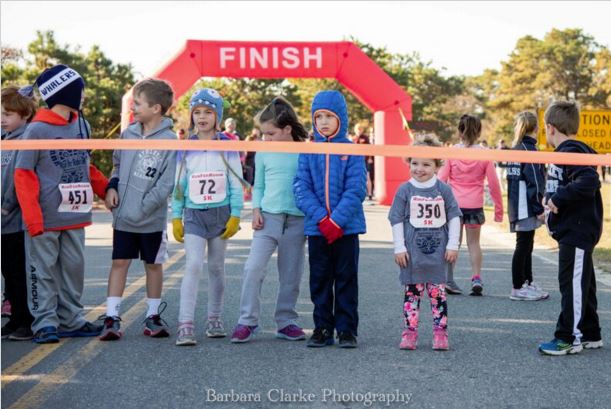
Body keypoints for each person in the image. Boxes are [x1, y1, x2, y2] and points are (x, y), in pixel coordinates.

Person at [14, 64, 109, 344]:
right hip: (45, 217)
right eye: (79, 90)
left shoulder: (82, 125)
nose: (83, 95)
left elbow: (85, 165)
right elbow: (24, 174)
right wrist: (33, 218)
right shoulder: (36, 130)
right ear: (64, 93)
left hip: (76, 215)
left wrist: (106, 189)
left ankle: (71, 319)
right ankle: (45, 323)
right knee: (42, 271)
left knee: (73, 270)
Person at [100, 78, 177, 341]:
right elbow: (117, 165)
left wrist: (143, 207)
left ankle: (152, 316)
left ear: (156, 108)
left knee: (153, 265)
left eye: (138, 103)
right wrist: (112, 187)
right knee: (119, 262)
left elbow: (167, 183)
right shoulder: (127, 134)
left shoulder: (170, 140)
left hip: (151, 218)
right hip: (123, 217)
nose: (133, 107)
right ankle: (111, 317)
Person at [231, 97, 308, 343]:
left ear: (287, 129)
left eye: (270, 133)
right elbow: (260, 185)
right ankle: (247, 321)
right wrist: (256, 210)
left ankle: (286, 321)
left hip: (297, 221)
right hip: (267, 219)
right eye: (263, 133)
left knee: (291, 275)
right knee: (252, 268)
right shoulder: (263, 151)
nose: (265, 138)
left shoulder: (306, 150)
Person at [294, 90, 367, 348]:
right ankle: (322, 327)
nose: (323, 122)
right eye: (319, 117)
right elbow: (301, 187)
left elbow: (356, 189)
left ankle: (346, 329)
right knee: (320, 279)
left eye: (329, 116)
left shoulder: (352, 150)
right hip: (318, 230)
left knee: (346, 279)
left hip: (346, 229)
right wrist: (321, 219)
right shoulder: (308, 151)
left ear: (341, 119)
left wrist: (336, 221)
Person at [172, 88, 243, 346]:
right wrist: (176, 216)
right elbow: (179, 184)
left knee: (216, 267)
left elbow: (236, 182)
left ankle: (214, 318)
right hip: (193, 214)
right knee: (193, 265)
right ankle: (185, 324)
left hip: (220, 213)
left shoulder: (228, 146)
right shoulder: (185, 147)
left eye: (208, 112)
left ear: (217, 116)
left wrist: (236, 214)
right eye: (197, 112)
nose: (202, 117)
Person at [538, 101, 603, 356]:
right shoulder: (567, 152)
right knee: (584, 283)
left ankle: (568, 337)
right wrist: (548, 203)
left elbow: (589, 180)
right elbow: (562, 184)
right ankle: (590, 333)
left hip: (577, 230)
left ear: (550, 128)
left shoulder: (571, 150)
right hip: (572, 229)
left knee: (572, 284)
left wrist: (558, 198)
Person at [388, 134, 461, 350]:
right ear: (409, 162)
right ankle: (410, 333)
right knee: (412, 295)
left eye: (426, 164)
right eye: (415, 163)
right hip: (412, 255)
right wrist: (399, 247)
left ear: (437, 166)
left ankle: (440, 333)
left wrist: (453, 244)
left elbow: (454, 217)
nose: (419, 169)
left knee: (438, 295)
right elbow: (396, 219)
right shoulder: (404, 190)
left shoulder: (443, 189)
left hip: (438, 253)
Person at [438, 114, 503, 296]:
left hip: (454, 205)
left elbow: (442, 179)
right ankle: (476, 278)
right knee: (474, 243)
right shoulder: (484, 154)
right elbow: (494, 184)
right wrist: (498, 210)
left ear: (459, 132)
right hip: (474, 204)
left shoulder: (452, 152)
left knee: (453, 242)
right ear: (479, 132)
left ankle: (448, 279)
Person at [1, 85, 37, 341]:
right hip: (3, 222)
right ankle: (14, 319)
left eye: (8, 114)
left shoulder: (24, 140)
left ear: (25, 115)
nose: (3, 119)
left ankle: (25, 320)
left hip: (14, 219)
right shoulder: (5, 139)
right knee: (7, 272)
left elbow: (18, 179)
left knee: (18, 273)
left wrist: (6, 204)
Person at [506, 112, 549, 301]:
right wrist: (539, 208)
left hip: (517, 204)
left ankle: (527, 282)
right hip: (526, 206)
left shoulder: (516, 148)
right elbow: (535, 183)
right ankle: (517, 287)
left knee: (527, 244)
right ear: (536, 128)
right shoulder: (529, 151)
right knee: (523, 245)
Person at [353, 123, 374, 200]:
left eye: (360, 129)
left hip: (365, 160)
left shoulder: (365, 138)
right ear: (355, 130)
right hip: (356, 161)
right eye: (358, 129)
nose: (359, 131)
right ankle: (357, 193)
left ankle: (370, 194)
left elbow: (369, 148)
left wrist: (370, 158)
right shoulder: (353, 139)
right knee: (356, 177)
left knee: (367, 176)